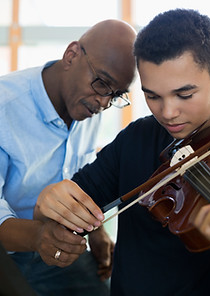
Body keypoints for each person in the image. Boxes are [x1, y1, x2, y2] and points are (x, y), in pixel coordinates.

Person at [34, 9, 210, 296]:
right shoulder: (136, 137)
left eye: (185, 95)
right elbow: (66, 208)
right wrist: (48, 203)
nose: (167, 113)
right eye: (152, 96)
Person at [0, 19, 136, 295]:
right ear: (71, 55)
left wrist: (96, 232)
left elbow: (81, 173)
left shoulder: (88, 104)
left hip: (57, 243)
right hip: (10, 250)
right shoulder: (5, 106)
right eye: (101, 84)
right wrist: (39, 237)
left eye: (116, 94)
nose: (103, 103)